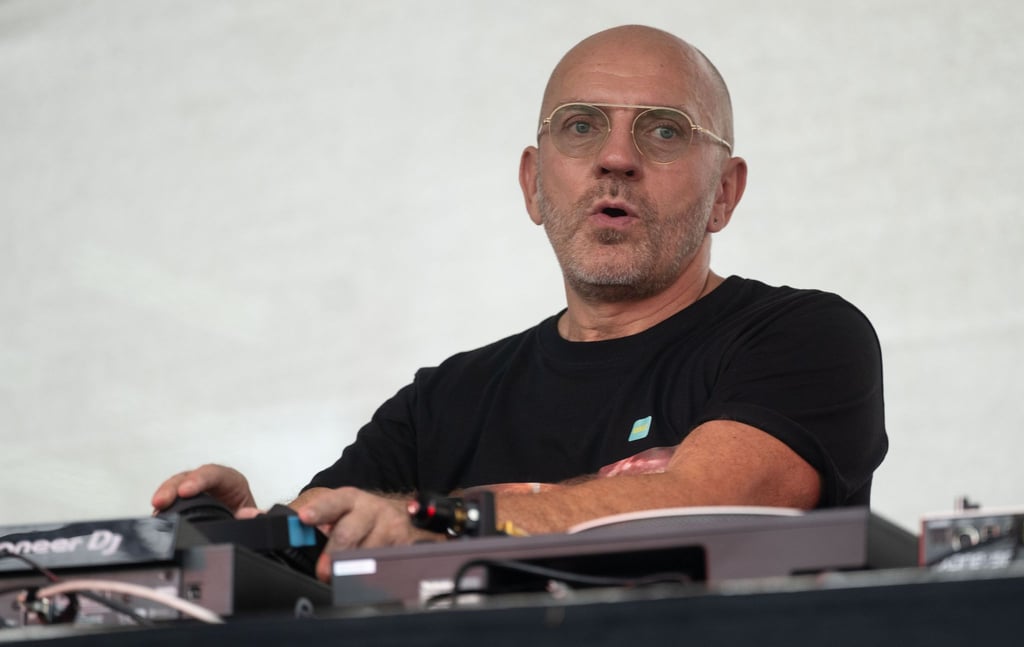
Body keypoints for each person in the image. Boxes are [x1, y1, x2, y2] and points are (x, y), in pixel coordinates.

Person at [152, 24, 888, 582]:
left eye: (664, 131)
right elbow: (324, 547)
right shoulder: (442, 402)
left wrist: (432, 524)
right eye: (581, 126)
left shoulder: (806, 337)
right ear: (534, 184)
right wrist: (248, 538)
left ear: (724, 192)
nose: (617, 158)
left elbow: (711, 505)